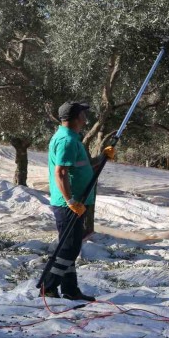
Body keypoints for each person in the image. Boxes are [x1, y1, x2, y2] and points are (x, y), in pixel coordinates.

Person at [42, 101, 115, 301]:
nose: (85, 117)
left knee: (70, 246)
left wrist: (103, 157)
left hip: (75, 202)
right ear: (76, 118)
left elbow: (80, 166)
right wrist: (71, 200)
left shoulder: (73, 138)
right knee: (69, 248)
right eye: (83, 113)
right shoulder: (66, 140)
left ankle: (70, 290)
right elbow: (61, 173)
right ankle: (48, 286)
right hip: (69, 204)